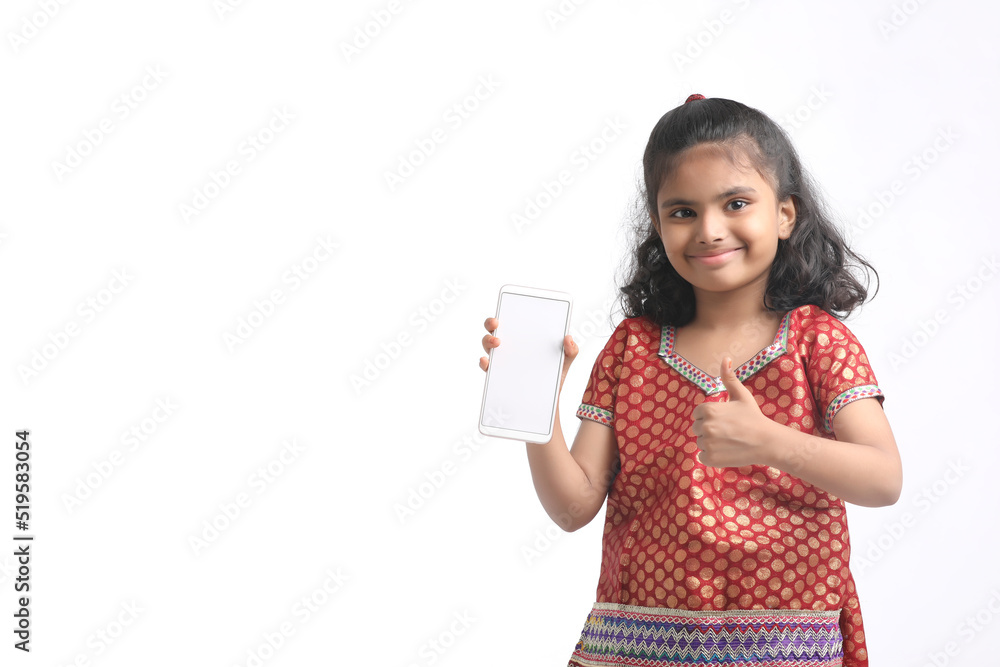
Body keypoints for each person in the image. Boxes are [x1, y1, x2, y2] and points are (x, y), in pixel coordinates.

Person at [478, 94, 901, 666]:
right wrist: (536, 408)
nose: (709, 229)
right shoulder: (633, 348)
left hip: (780, 648)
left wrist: (768, 441)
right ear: (658, 224)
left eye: (735, 203)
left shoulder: (815, 341)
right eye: (682, 212)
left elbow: (883, 479)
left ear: (784, 214)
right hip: (634, 647)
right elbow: (573, 508)